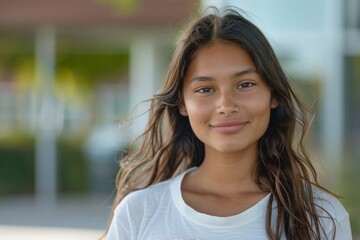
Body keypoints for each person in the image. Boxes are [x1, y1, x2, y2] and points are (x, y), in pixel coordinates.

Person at [104, 7, 352, 240]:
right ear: (182, 104)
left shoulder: (321, 217)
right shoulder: (139, 213)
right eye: (205, 89)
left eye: (245, 85)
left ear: (273, 95)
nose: (226, 105)